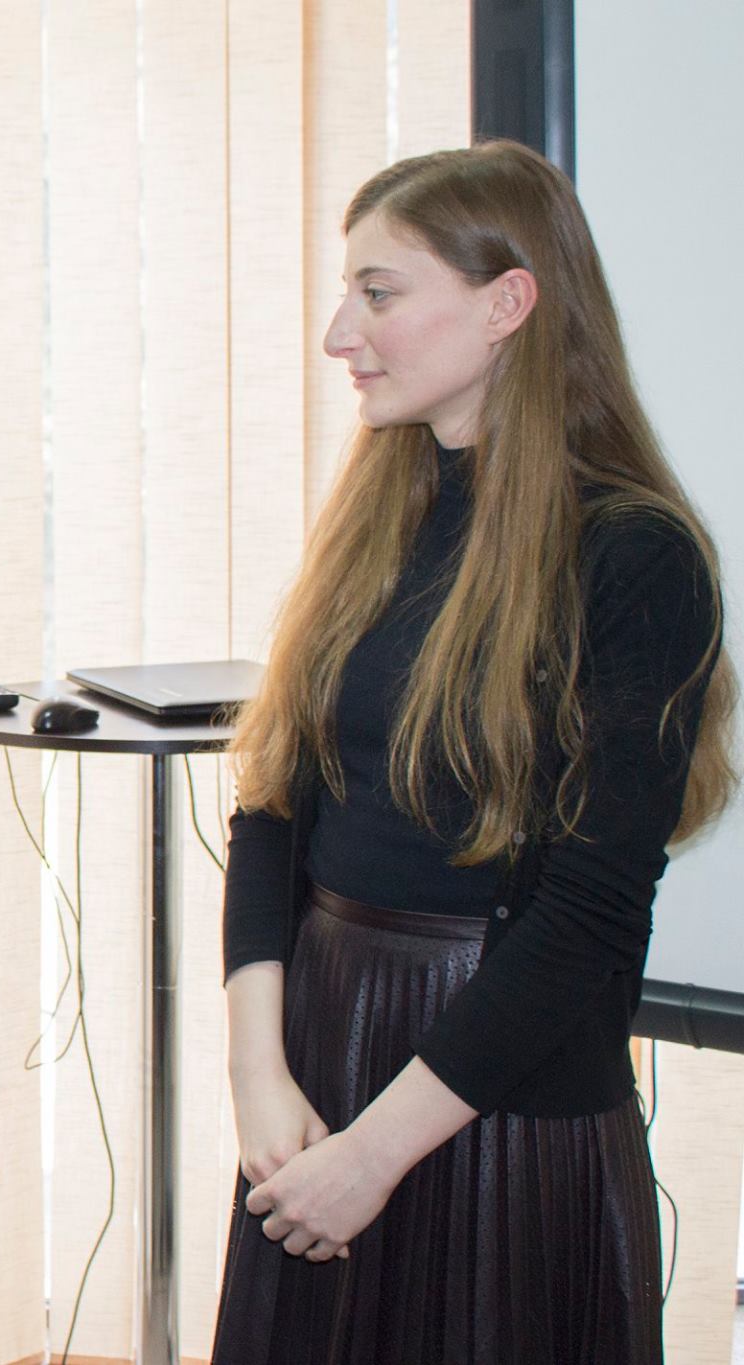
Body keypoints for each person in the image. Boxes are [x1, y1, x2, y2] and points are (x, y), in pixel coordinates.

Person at [211, 141, 736, 1364]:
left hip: (496, 1088)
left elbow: (588, 914)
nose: (339, 334)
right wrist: (257, 1076)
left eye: (378, 293)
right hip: (321, 1060)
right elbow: (273, 806)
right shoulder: (377, 523)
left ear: (505, 305)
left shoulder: (635, 557)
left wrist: (373, 1157)